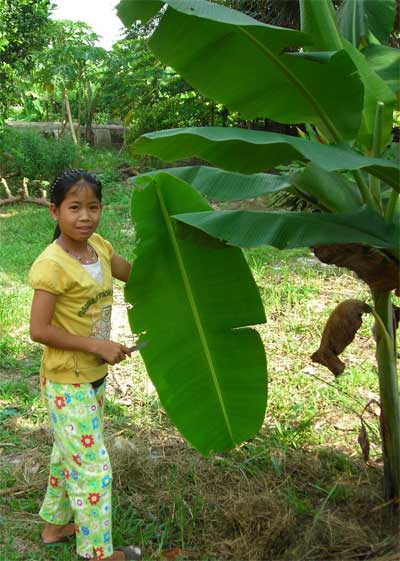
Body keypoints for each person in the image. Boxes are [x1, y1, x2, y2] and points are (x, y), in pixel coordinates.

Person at [29, 168, 141, 561]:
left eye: (93, 207)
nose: (85, 216)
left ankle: (56, 525)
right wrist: (96, 343)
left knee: (69, 454)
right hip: (66, 382)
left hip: (94, 375)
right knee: (93, 469)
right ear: (54, 212)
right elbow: (38, 329)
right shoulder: (52, 265)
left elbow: (137, 276)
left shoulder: (100, 248)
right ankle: (98, 554)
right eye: (74, 207)